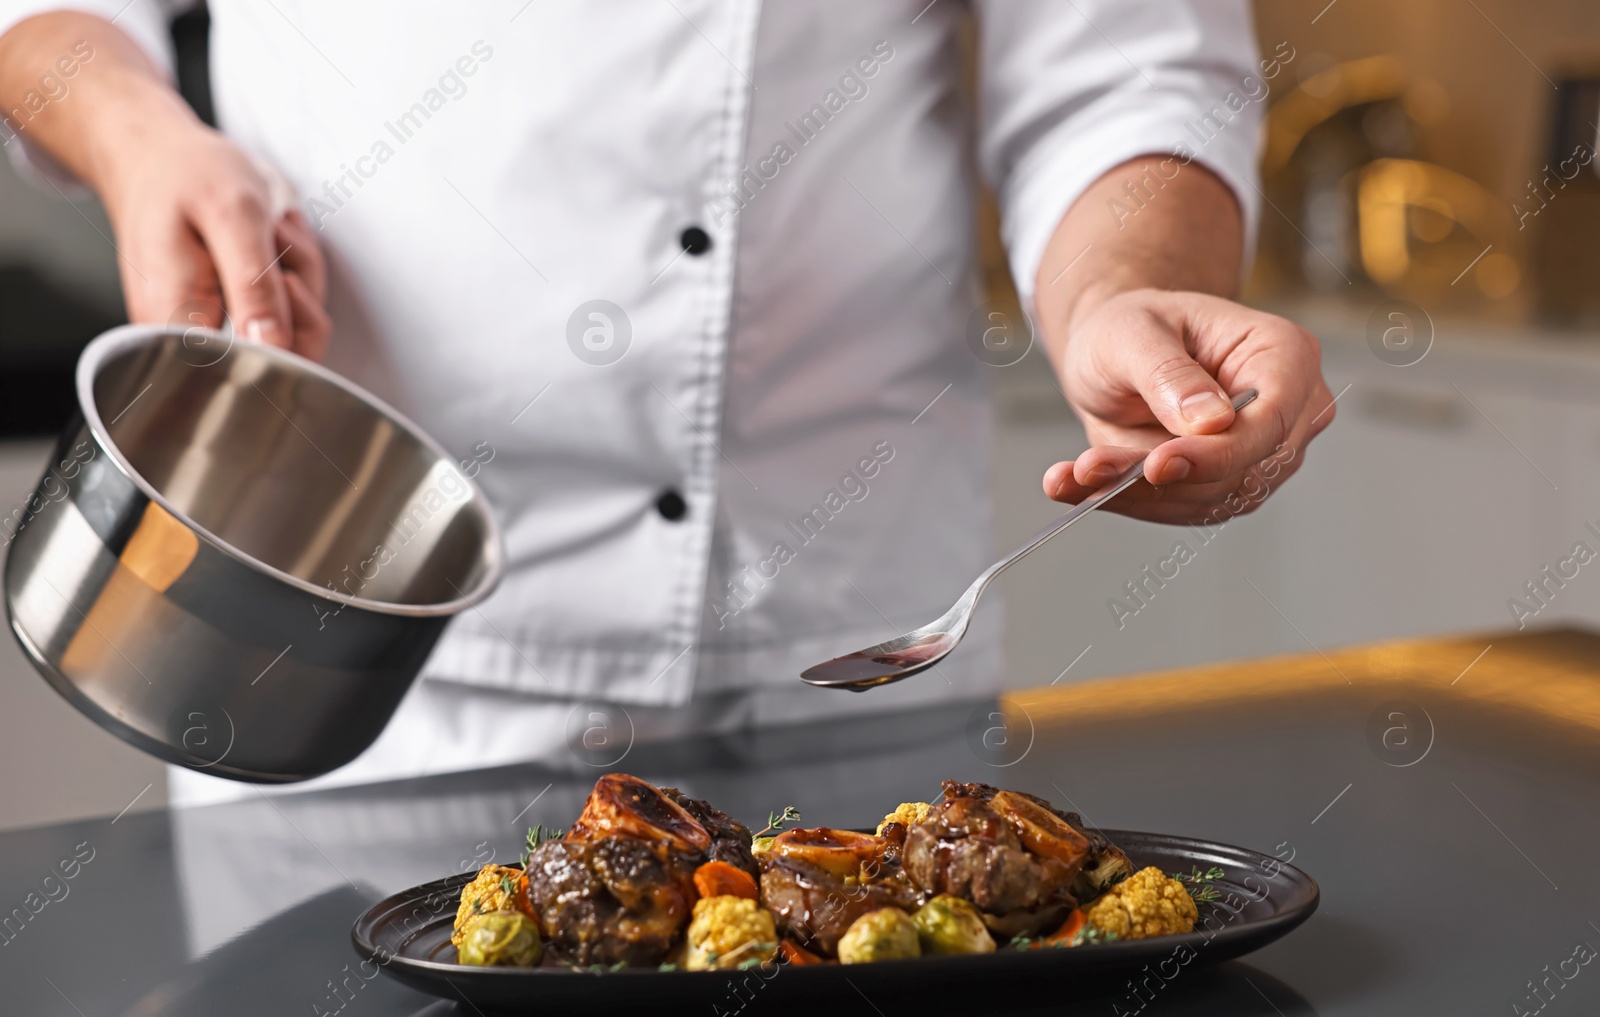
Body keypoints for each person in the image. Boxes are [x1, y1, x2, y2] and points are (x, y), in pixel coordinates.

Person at [0, 1, 1333, 804]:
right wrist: (138, 139)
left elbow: (1123, 69)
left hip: (840, 646)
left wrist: (1123, 295)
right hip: (351, 654)